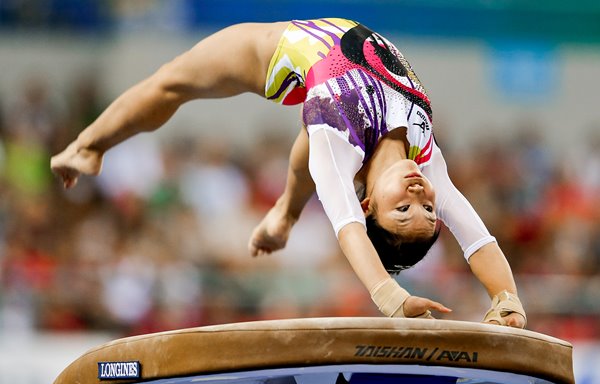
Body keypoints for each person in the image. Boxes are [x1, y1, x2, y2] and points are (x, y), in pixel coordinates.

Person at [51, 18, 526, 327]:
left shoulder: (335, 141)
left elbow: (348, 230)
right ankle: (283, 214)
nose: (421, 194)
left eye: (403, 209)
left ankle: (88, 145)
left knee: (171, 82)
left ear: (368, 205)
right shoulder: (426, 153)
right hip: (332, 118)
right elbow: (477, 237)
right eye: (426, 209)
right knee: (312, 154)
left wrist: (391, 298)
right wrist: (506, 298)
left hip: (270, 55)